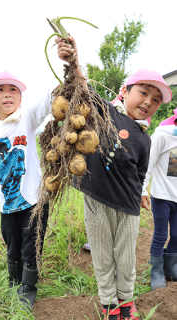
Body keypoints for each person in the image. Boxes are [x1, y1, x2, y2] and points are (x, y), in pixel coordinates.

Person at [56, 36, 172, 320]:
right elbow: (82, 86)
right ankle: (109, 303)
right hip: (96, 199)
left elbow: (141, 172)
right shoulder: (104, 112)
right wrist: (73, 60)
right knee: (102, 256)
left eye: (156, 100)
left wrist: (142, 194)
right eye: (143, 93)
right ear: (124, 90)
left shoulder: (145, 138)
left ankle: (127, 301)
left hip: (129, 207)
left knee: (126, 258)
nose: (148, 102)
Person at [0, 70, 54, 309]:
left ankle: (28, 287)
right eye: (0, 90)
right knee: (12, 242)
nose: (7, 95)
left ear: (21, 98)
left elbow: (48, 99)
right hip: (8, 203)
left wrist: (66, 68)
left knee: (31, 243)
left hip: (34, 200)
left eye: (13, 90)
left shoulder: (27, 119)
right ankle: (14, 280)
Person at [141, 109, 177, 291]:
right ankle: (156, 273)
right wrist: (142, 189)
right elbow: (149, 162)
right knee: (161, 235)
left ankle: (170, 269)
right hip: (162, 195)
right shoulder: (164, 136)